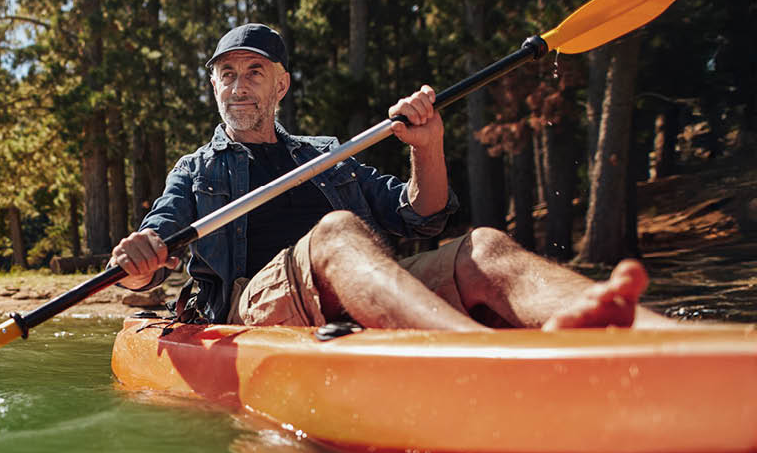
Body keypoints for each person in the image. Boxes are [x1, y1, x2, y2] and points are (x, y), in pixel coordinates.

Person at [110, 23, 676, 331]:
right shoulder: (196, 171)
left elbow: (423, 215)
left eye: (254, 71)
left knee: (484, 246)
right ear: (214, 86)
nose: (238, 84)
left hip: (349, 293)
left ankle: (654, 334)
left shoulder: (326, 157)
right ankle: (475, 357)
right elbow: (148, 260)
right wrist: (136, 262)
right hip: (255, 305)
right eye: (226, 73)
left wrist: (428, 146)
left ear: (280, 86)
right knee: (335, 233)